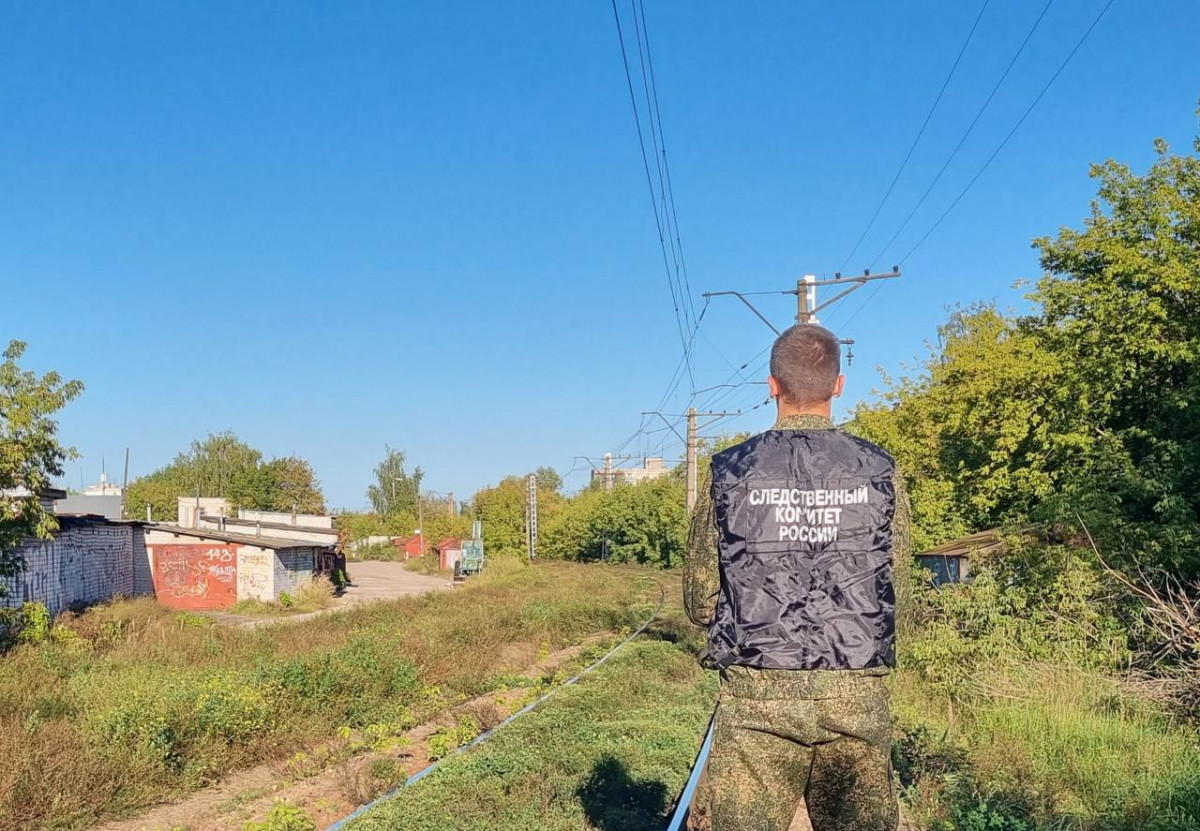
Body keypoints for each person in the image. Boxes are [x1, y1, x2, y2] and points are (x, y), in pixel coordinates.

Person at [683, 324, 910, 831]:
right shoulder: (880, 471)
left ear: (772, 386)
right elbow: (900, 594)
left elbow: (700, 600)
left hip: (757, 695)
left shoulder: (729, 471)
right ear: (838, 385)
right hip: (856, 692)